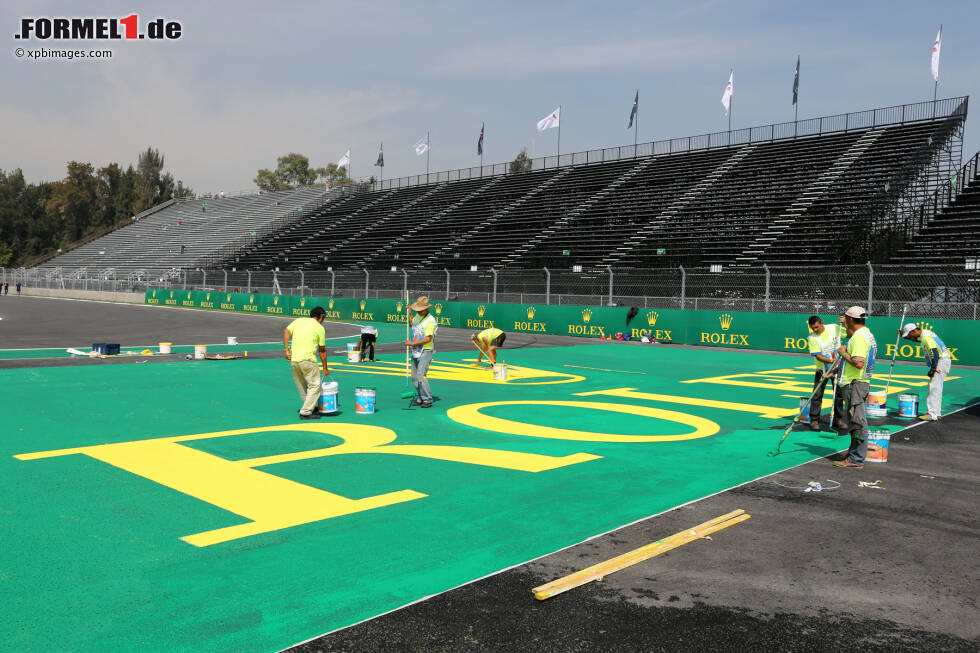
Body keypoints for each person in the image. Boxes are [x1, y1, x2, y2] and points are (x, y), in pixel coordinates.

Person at [833, 306, 877, 469]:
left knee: (858, 421)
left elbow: (858, 363)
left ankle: (856, 458)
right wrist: (838, 370)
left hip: (855, 384)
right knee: (855, 420)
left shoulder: (859, 337)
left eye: (846, 318)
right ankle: (853, 453)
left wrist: (843, 353)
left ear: (851, 319)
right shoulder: (867, 334)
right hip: (857, 382)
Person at [283, 306, 329, 419]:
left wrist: (286, 349)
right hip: (308, 360)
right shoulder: (319, 327)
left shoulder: (299, 321)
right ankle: (306, 412)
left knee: (302, 385)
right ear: (321, 317)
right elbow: (322, 350)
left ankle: (309, 406)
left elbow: (286, 331)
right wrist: (325, 367)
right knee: (315, 385)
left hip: (294, 360)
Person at [900, 322, 951, 421]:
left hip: (940, 361)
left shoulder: (926, 337)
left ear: (914, 331)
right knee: (937, 388)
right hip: (944, 360)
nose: (910, 336)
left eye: (910, 334)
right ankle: (936, 413)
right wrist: (903, 335)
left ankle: (931, 414)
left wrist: (933, 369)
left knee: (934, 387)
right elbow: (916, 339)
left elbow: (934, 353)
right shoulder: (925, 333)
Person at [805, 316, 845, 431]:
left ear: (822, 323)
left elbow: (849, 333)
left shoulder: (834, 327)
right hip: (822, 370)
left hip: (837, 369)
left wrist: (845, 322)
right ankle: (814, 419)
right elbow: (818, 355)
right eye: (813, 328)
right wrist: (832, 361)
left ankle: (838, 419)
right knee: (817, 394)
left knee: (839, 394)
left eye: (816, 327)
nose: (815, 330)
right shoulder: (812, 338)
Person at [405, 296, 437, 408]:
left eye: (420, 310)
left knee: (420, 375)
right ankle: (420, 398)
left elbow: (428, 338)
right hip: (416, 350)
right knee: (414, 376)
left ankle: (427, 399)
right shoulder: (418, 316)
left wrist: (412, 343)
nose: (418, 311)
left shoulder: (430, 321)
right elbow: (412, 324)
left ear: (426, 309)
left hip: (426, 350)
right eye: (417, 310)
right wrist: (409, 313)